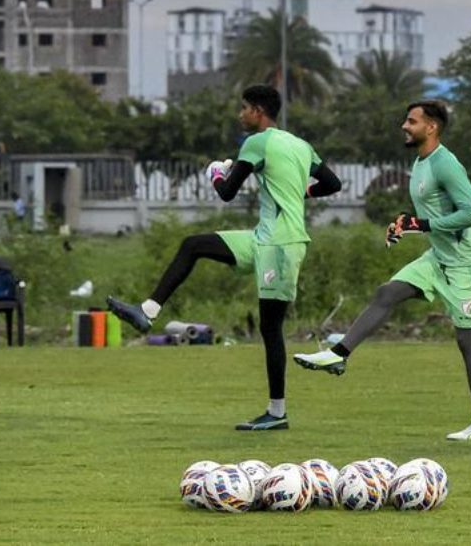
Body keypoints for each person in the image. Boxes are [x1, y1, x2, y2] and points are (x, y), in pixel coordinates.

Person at [108, 85, 342, 431]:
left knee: (270, 328)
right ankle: (148, 311)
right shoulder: (300, 145)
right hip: (263, 238)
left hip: (281, 245)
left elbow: (228, 193)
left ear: (259, 111)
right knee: (193, 245)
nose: (240, 114)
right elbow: (333, 183)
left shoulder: (257, 142)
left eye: (244, 108)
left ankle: (277, 413)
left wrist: (216, 173)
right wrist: (300, 192)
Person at [294, 100, 471, 440]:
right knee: (387, 293)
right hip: (438, 257)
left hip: (467, 264)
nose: (404, 126)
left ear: (431, 127)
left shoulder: (446, 164)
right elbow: (430, 212)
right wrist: (406, 223)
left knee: (468, 341)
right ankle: (338, 354)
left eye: (412, 121)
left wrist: (422, 224)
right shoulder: (420, 162)